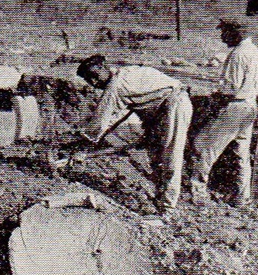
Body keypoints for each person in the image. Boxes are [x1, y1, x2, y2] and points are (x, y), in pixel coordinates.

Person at [76, 55, 193, 213]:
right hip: (162, 110)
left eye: (95, 77)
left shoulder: (116, 86)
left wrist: (82, 146)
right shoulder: (124, 74)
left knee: (171, 156)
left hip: (174, 105)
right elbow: (115, 117)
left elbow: (100, 120)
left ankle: (167, 209)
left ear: (104, 67)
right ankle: (160, 198)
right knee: (156, 155)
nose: (94, 83)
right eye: (89, 80)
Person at [190, 19, 258, 207]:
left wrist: (213, 100)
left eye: (225, 33)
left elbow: (230, 89)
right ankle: (242, 197)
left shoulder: (238, 55)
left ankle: (197, 192)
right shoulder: (255, 52)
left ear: (235, 33)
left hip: (235, 107)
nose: (222, 38)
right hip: (249, 107)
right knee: (241, 155)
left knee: (204, 146)